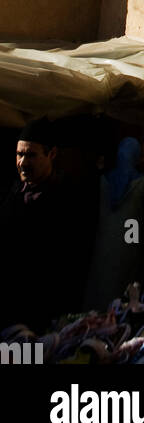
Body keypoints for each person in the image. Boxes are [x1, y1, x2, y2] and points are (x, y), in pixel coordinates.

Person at [0, 120, 92, 331]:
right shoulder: (9, 193)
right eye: (19, 154)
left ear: (51, 154)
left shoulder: (68, 200)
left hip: (43, 312)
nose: (22, 162)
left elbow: (73, 262)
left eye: (31, 155)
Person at [84, 136, 144, 310]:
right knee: (126, 274)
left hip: (105, 238)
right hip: (131, 232)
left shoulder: (104, 180)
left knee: (102, 280)